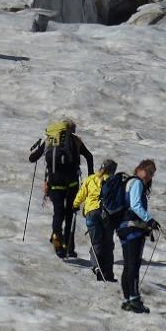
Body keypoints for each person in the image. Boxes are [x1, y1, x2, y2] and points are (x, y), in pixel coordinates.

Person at [28, 119, 93, 259]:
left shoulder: (50, 141)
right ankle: (69, 247)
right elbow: (89, 156)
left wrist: (37, 148)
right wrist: (91, 176)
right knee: (70, 213)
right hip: (72, 183)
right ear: (72, 130)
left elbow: (32, 159)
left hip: (54, 182)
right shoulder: (76, 141)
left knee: (58, 212)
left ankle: (57, 237)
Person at [117, 159, 161, 313]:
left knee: (128, 265)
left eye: (152, 174)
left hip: (124, 227)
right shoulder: (136, 183)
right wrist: (150, 220)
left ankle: (128, 299)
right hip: (132, 229)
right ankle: (134, 299)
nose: (149, 176)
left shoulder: (128, 183)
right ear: (139, 169)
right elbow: (135, 205)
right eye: (148, 172)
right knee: (133, 265)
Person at [75, 158, 118, 281]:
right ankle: (108, 272)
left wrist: (75, 205)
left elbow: (81, 194)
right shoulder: (112, 181)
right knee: (108, 243)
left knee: (96, 242)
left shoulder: (90, 179)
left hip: (90, 214)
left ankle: (96, 267)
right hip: (106, 215)